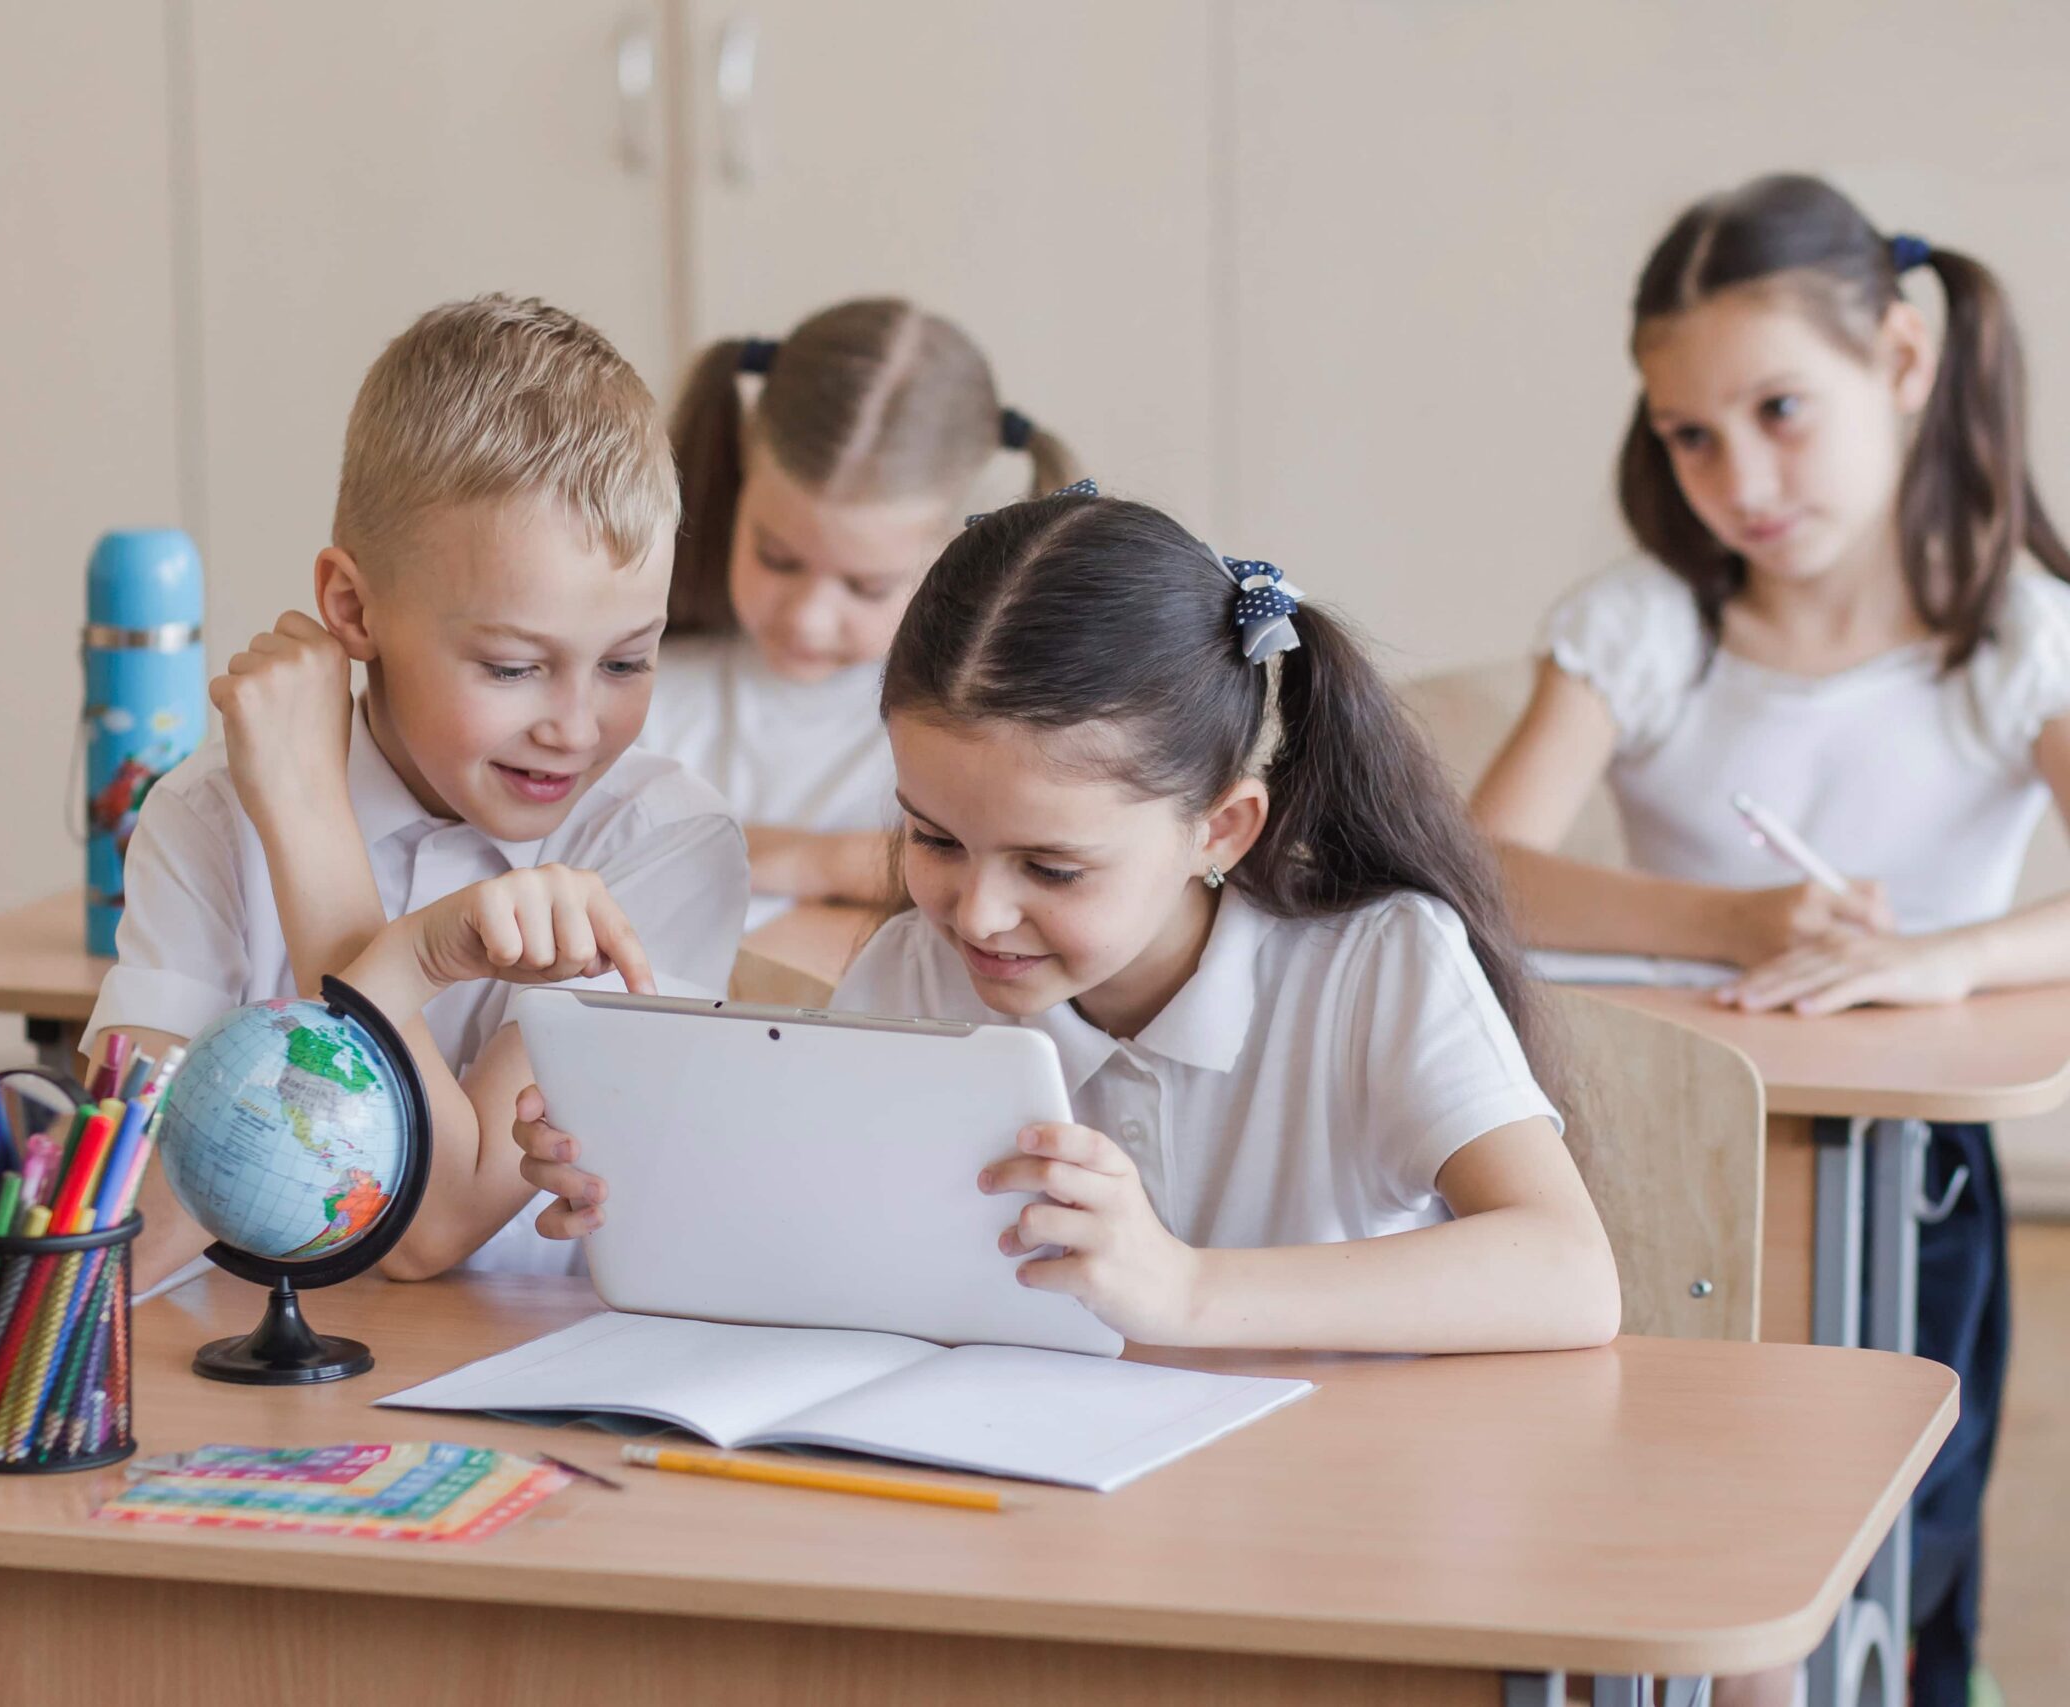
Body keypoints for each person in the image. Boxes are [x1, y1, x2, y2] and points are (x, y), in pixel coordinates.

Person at [519, 485, 1619, 1355]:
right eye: (934, 840)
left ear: (1221, 830)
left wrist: (1182, 1286)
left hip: (1332, 1523)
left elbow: (1568, 1274)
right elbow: (835, 1263)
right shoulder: (914, 972)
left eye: (1051, 865)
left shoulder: (1375, 965)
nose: (977, 913)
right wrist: (651, 1191)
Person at [1471, 174, 2069, 1707]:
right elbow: (1479, 869)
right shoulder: (1646, 622)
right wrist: (1728, 919)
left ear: (1905, 363)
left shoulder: (2010, 635)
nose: (1739, 473)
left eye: (1782, 409)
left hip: (1904, 1162)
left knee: (1894, 1531)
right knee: (1677, 1518)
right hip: (1660, 1147)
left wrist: (1942, 956)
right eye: (1691, 433)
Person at [83, 295, 749, 1285]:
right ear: (353, 607)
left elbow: (434, 1229)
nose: (574, 725)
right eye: (514, 667)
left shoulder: (661, 841)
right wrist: (299, 818)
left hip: (522, 1385)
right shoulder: (210, 811)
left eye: (624, 663)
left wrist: (318, 842)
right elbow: (107, 1231)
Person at [643, 298, 1077, 922]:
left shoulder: (985, 739)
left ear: (957, 550)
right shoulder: (649, 699)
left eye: (867, 587)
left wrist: (811, 861)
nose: (808, 618)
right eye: (778, 559)